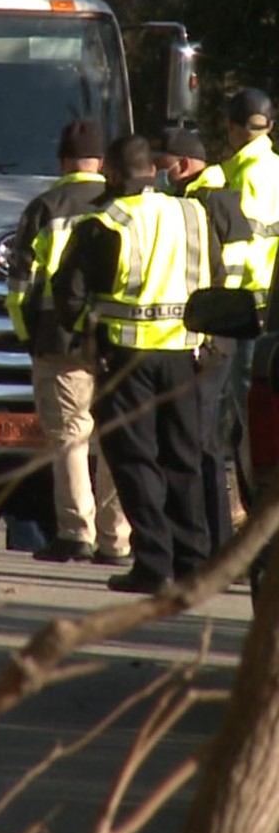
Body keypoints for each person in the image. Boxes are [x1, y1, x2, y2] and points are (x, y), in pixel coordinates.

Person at [52, 134, 250, 595]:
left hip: (125, 361)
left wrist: (85, 334)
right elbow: (217, 278)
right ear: (154, 171)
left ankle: (154, 563)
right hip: (187, 357)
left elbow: (69, 295)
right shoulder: (192, 214)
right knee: (185, 458)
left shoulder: (103, 223)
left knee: (135, 460)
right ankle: (193, 563)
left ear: (112, 173)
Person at [7, 119, 132, 566]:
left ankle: (76, 532)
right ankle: (117, 540)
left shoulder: (44, 208)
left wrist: (27, 333)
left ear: (63, 161)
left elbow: (19, 284)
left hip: (58, 339)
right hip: (120, 338)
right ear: (101, 162)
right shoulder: (123, 205)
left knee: (70, 435)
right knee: (115, 437)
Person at [157, 127, 235, 556]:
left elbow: (222, 281)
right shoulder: (210, 198)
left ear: (183, 165)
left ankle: (214, 545)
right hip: (217, 335)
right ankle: (209, 542)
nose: (158, 173)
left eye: (163, 165)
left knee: (201, 444)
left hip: (213, 340)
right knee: (199, 441)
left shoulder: (207, 204)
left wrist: (208, 340)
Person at [212, 88, 279, 520]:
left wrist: (223, 304)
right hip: (273, 302)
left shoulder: (245, 175)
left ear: (233, 128)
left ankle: (257, 514)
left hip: (249, 308)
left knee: (248, 418)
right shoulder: (274, 167)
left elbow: (239, 246)